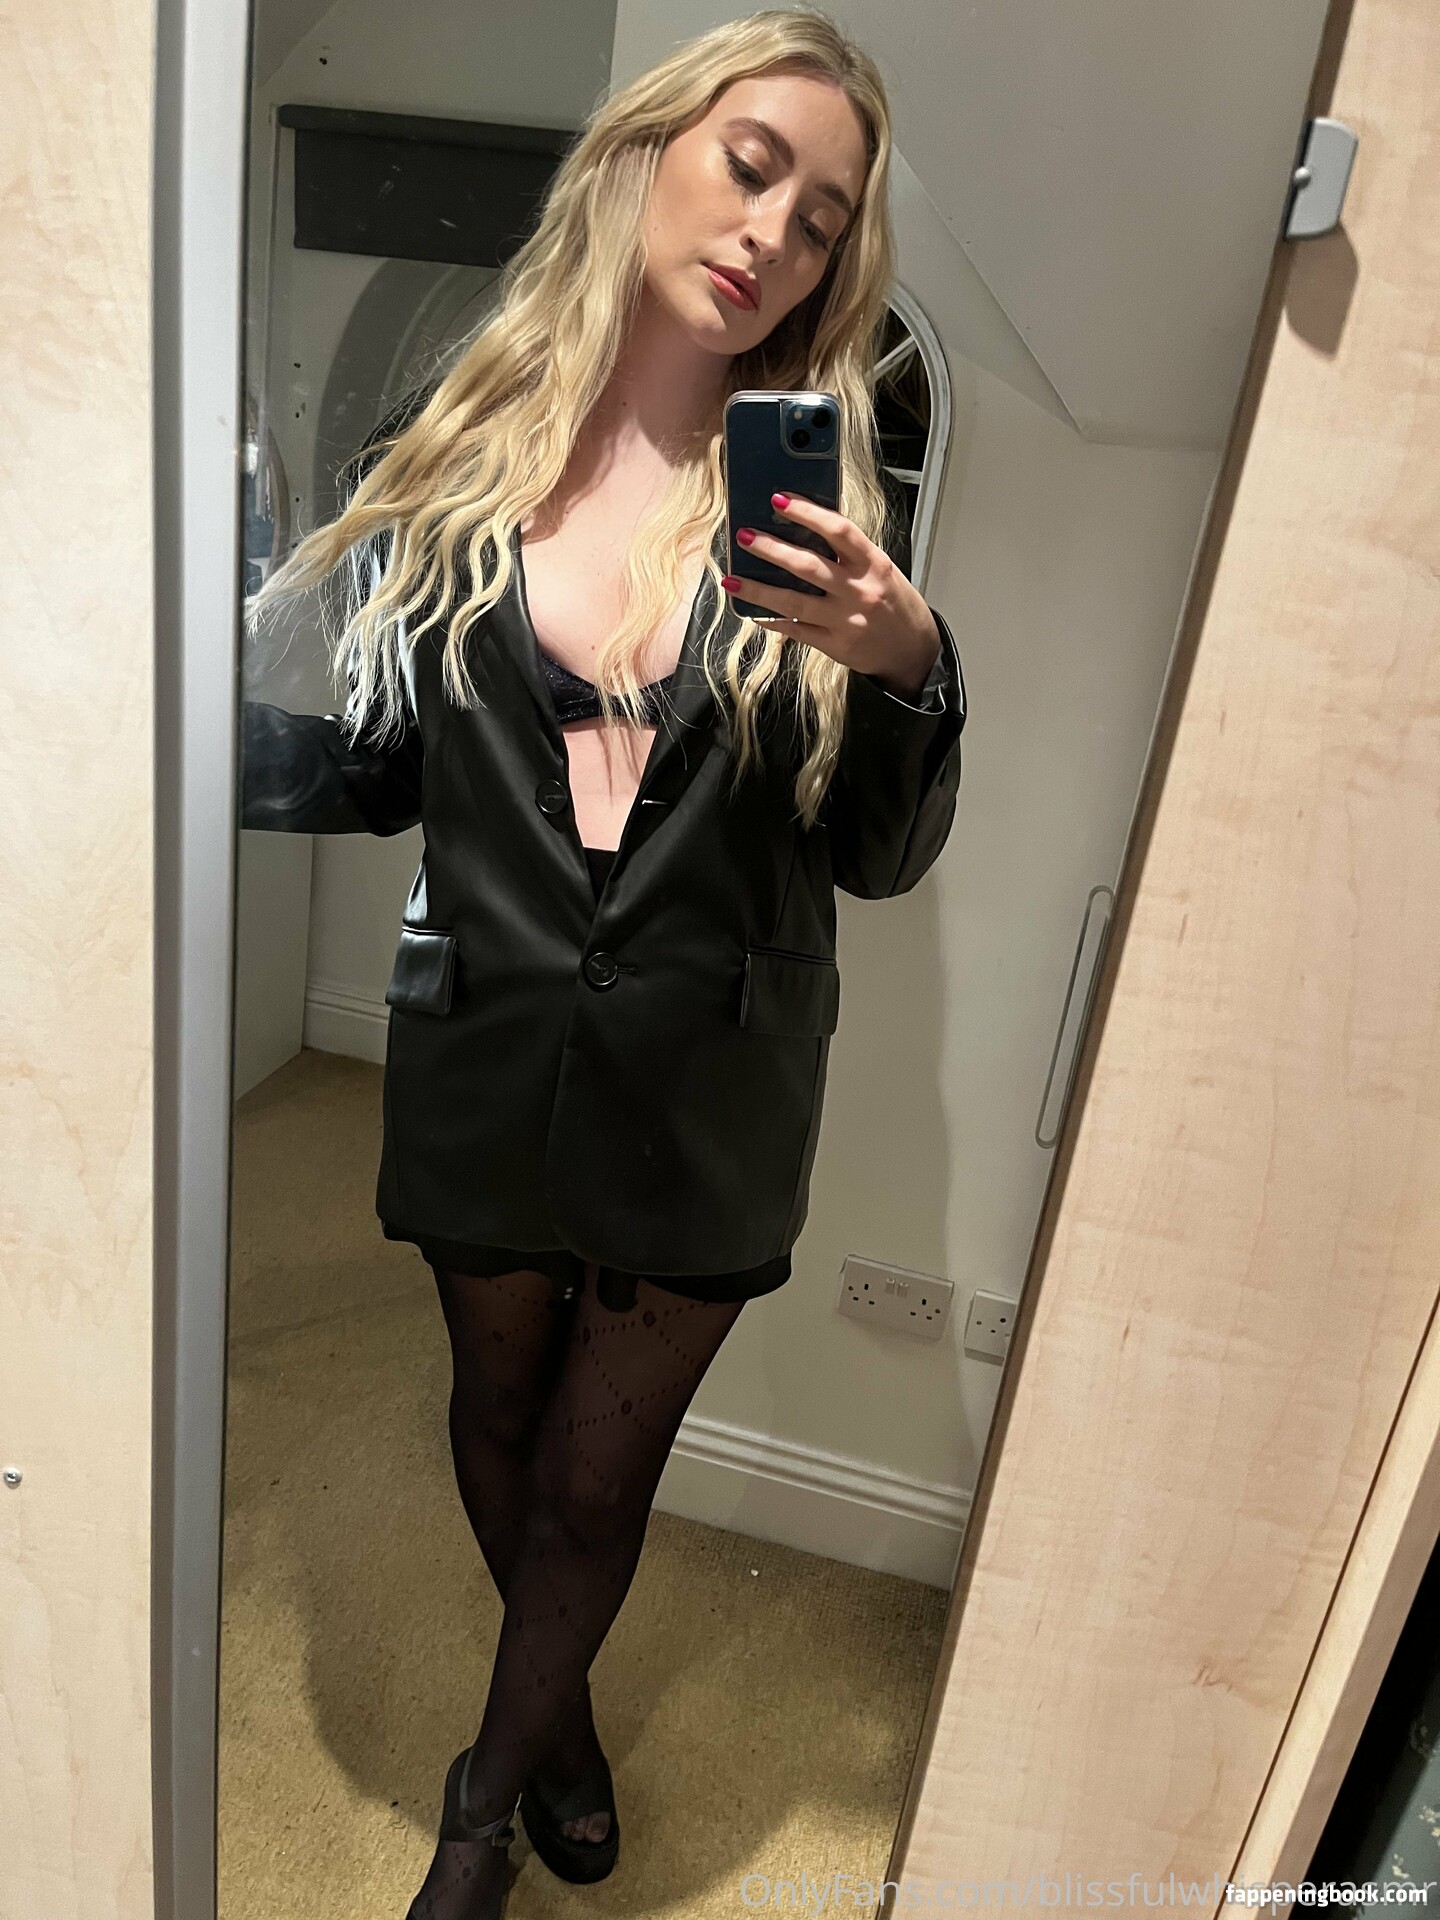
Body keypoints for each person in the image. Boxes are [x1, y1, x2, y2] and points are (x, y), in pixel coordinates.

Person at [240, 10, 966, 1915]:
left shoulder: (827, 497)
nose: (774, 234)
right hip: (482, 1042)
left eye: (823, 220)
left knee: (593, 1475)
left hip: (710, 1081)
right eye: (751, 166)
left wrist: (904, 668)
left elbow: (878, 853)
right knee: (494, 1420)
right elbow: (387, 767)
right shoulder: (454, 446)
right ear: (648, 152)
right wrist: (169, 739)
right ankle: (555, 1727)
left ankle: (482, 1813)